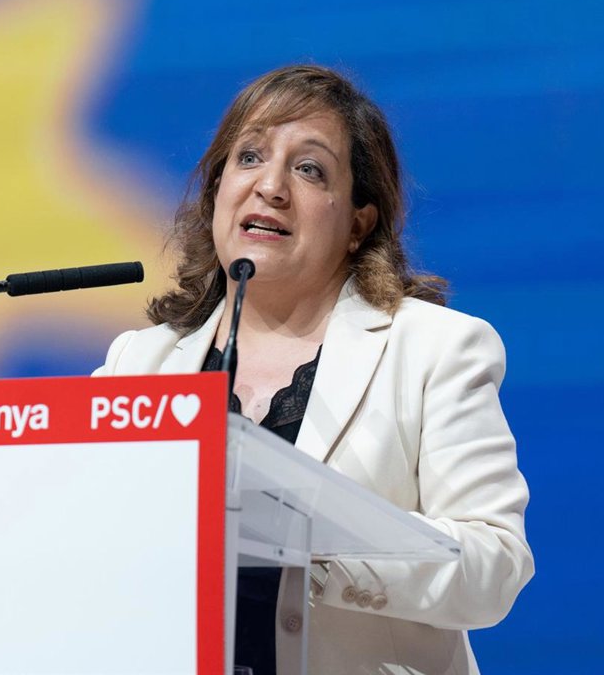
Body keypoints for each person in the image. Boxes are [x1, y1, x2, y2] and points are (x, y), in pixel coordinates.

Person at [94, 65, 533, 675]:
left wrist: (309, 551)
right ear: (217, 191)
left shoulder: (434, 350)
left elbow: (495, 565)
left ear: (358, 223)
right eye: (249, 157)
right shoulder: (139, 364)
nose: (270, 186)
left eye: (309, 169)